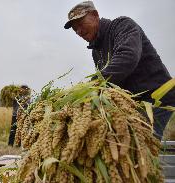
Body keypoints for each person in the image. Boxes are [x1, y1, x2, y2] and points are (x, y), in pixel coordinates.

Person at [64, 1, 175, 139]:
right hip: (133, 103)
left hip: (155, 99)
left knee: (140, 144)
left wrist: (91, 85)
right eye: (75, 29)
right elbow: (107, 85)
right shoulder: (96, 52)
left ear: (95, 15)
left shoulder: (122, 26)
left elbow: (127, 57)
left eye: (81, 24)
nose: (79, 31)